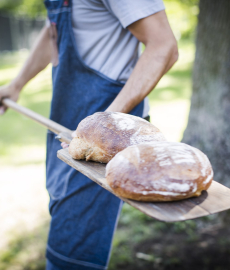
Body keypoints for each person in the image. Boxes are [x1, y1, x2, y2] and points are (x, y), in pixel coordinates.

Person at [0, 0, 178, 269]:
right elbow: (54, 29)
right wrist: (16, 84)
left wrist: (100, 127)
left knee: (72, 256)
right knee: (63, 225)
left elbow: (164, 46)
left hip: (108, 142)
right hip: (64, 124)